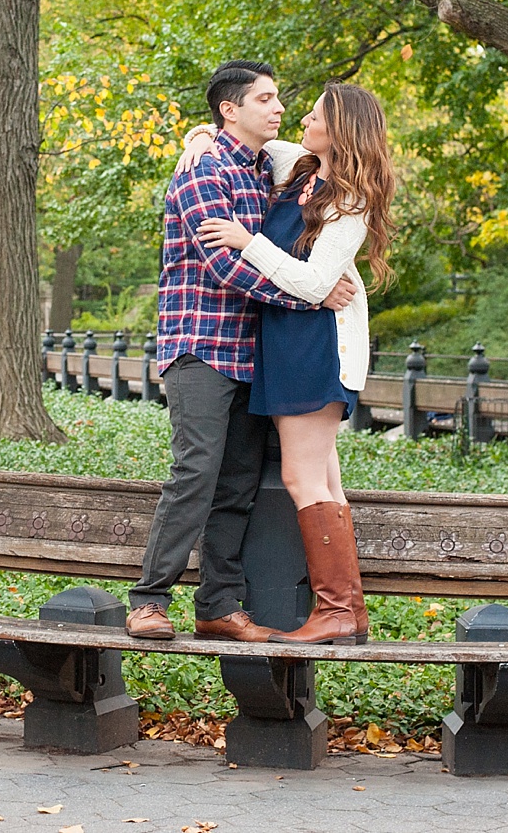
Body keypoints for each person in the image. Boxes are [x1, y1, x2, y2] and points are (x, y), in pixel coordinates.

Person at [125, 60, 357, 643]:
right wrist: (312, 295)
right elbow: (226, 265)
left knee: (238, 484)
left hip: (253, 354)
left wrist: (314, 287)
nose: (280, 110)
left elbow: (283, 239)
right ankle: (150, 600)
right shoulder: (204, 171)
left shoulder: (269, 171)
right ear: (231, 110)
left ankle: (218, 606)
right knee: (196, 470)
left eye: (281, 100)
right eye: (266, 100)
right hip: (200, 345)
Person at [190, 83, 396, 644]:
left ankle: (333, 610)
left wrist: (244, 240)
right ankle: (347, 612)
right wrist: (199, 133)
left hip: (314, 345)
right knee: (325, 478)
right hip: (284, 343)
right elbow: (234, 137)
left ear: (342, 128)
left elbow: (312, 283)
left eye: (315, 113)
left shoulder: (349, 202)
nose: (300, 117)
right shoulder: (300, 169)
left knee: (302, 476)